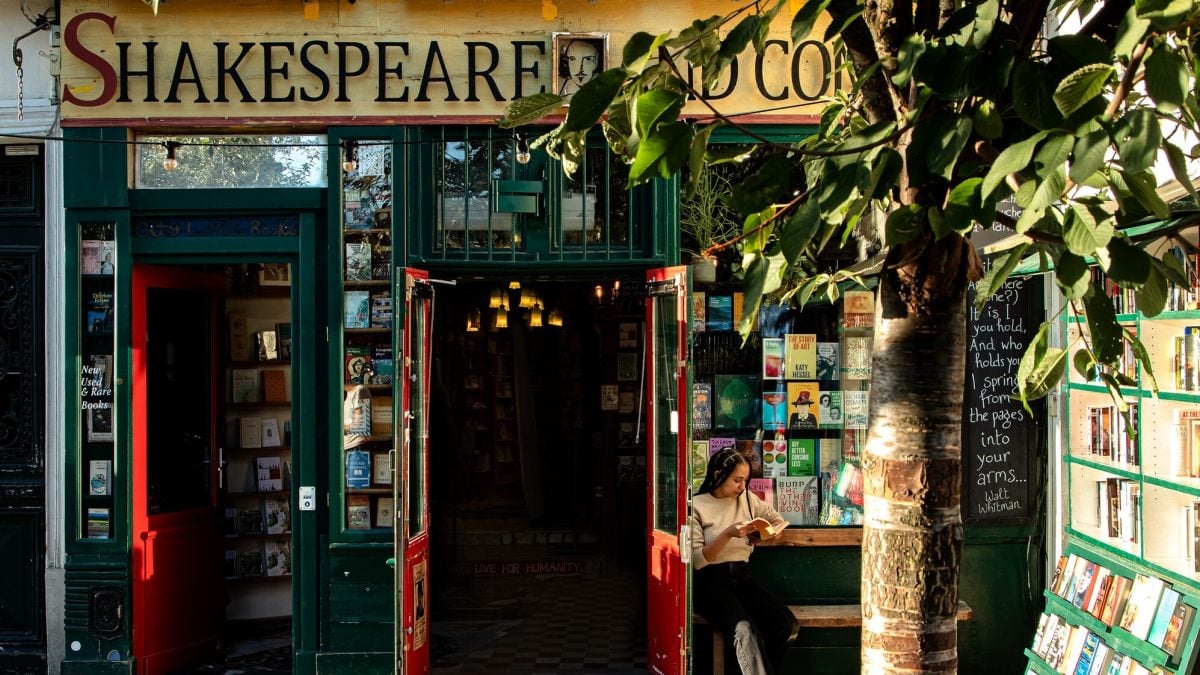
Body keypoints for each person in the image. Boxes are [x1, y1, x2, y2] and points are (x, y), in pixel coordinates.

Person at [689, 447, 797, 675]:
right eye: (737, 480)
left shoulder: (747, 498)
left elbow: (777, 520)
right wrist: (728, 533)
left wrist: (767, 533)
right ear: (718, 475)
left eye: (745, 480)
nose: (742, 486)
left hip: (742, 578)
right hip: (710, 583)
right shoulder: (696, 506)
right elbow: (698, 560)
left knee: (785, 624)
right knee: (744, 631)